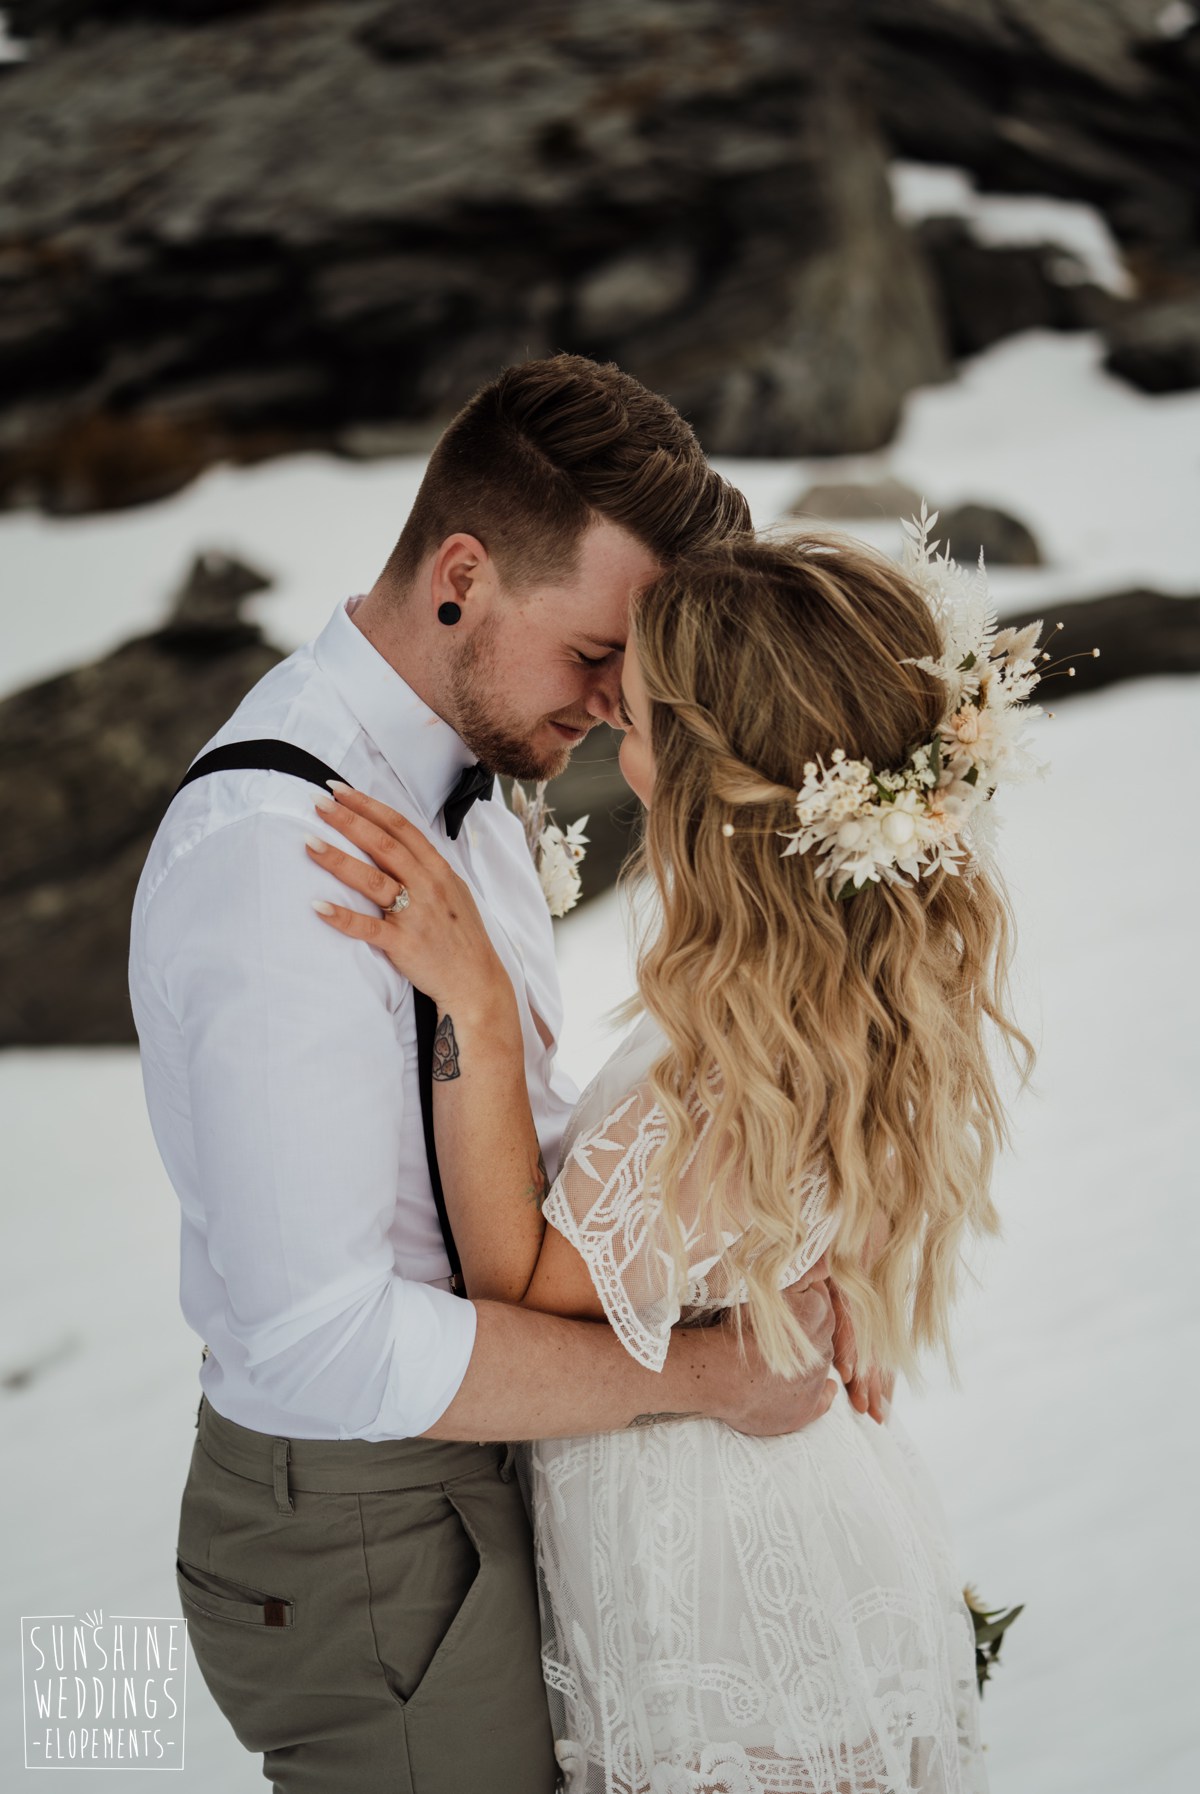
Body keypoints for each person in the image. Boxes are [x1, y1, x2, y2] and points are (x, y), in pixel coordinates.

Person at [128, 357, 844, 1794]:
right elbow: (321, 1342)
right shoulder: (285, 860)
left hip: (494, 1447)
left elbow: (540, 1149)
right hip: (374, 1527)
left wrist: (775, 1258)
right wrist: (706, 1375)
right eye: (595, 654)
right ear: (464, 576)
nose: (618, 704)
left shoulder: (464, 779)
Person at [307, 527, 1039, 1792]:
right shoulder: (836, 993)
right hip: (773, 1540)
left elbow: (520, 1287)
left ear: (710, 784)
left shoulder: (726, 1076)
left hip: (735, 1605)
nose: (606, 715)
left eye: (636, 715)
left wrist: (477, 1008)